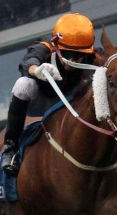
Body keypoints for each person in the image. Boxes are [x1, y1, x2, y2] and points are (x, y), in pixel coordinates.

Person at [1, 13, 96, 175]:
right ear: (57, 46)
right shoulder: (45, 46)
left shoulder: (93, 55)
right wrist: (37, 70)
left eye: (80, 55)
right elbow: (28, 61)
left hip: (69, 102)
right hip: (42, 101)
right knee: (23, 85)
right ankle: (11, 146)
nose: (73, 60)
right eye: (67, 54)